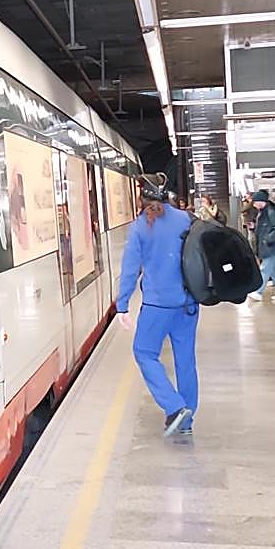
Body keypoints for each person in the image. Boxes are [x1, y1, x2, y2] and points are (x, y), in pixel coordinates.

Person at [115, 173, 199, 437]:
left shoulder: (140, 226)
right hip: (188, 302)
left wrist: (122, 305)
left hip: (158, 305)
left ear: (141, 197)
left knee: (144, 353)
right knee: (185, 360)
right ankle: (186, 421)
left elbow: (130, 269)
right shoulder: (186, 219)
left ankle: (174, 407)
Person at [246, 190, 275, 302]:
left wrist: (267, 239)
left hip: (270, 246)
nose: (253, 204)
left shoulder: (270, 212)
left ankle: (258, 291)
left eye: (255, 202)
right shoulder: (264, 212)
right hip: (268, 246)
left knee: (265, 269)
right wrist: (254, 228)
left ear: (261, 201)